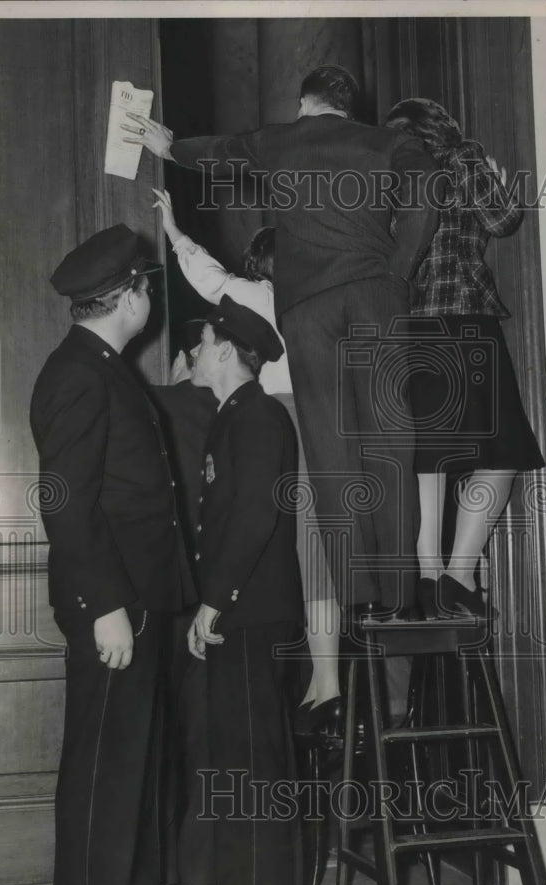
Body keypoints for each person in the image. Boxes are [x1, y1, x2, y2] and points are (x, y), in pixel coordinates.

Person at [124, 65, 439, 620]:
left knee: (330, 451)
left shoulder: (281, 140)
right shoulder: (392, 141)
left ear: (303, 104)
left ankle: (359, 595)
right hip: (375, 296)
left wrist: (170, 150)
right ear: (348, 106)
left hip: (308, 308)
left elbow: (220, 151)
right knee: (390, 444)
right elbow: (426, 199)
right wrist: (397, 272)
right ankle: (401, 595)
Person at [29, 224, 202, 885]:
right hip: (113, 603)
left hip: (142, 596)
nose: (150, 301)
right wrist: (103, 606)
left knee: (137, 761)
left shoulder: (102, 367)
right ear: (128, 295)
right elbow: (65, 503)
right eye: (146, 289)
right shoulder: (79, 375)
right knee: (104, 768)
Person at [151, 187, 341, 734]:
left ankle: (323, 683)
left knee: (282, 540)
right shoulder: (322, 298)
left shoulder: (259, 296)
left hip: (282, 414)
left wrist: (175, 230)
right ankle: (326, 677)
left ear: (260, 267)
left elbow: (209, 277)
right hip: (329, 423)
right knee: (318, 552)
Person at [383, 98, 545, 617]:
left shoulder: (408, 176)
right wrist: (480, 172)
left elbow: (501, 221)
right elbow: (503, 218)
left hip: (417, 327)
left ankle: (436, 576)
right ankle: (456, 573)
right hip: (462, 322)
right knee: (500, 453)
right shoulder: (457, 158)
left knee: (430, 459)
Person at [184, 295, 303, 885]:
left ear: (227, 350)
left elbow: (253, 520)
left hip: (250, 610)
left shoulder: (256, 418)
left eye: (201, 344)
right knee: (240, 751)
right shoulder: (234, 417)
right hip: (243, 609)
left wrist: (213, 601)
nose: (194, 355)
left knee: (254, 755)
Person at [149, 320, 217, 885]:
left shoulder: (155, 399)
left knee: (158, 736)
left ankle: (162, 871)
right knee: (206, 736)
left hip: (157, 596)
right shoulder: (231, 411)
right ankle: (200, 873)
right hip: (214, 598)